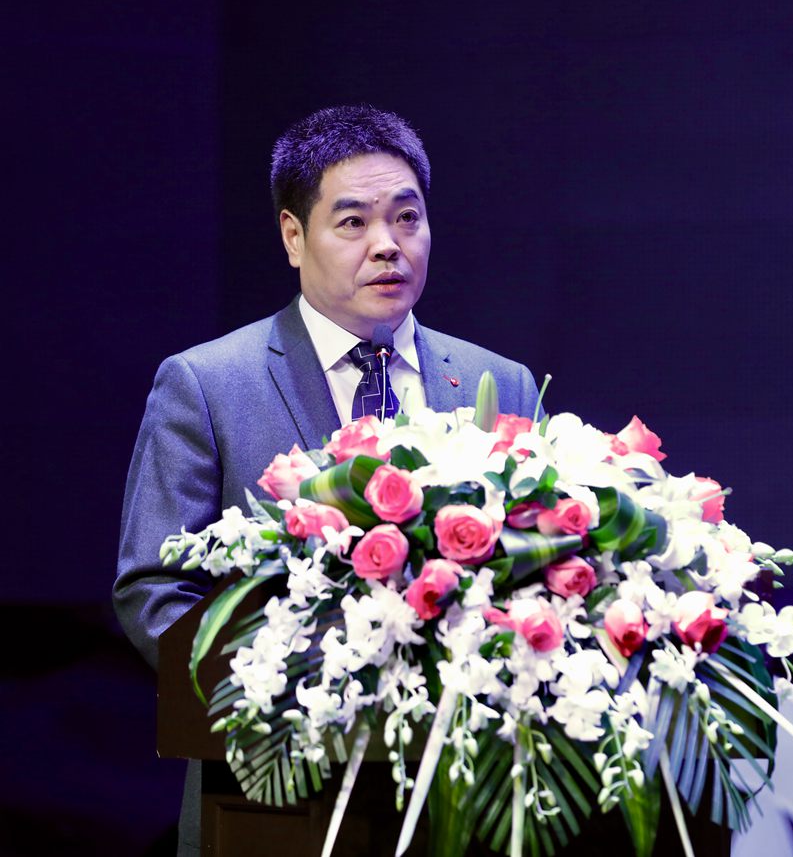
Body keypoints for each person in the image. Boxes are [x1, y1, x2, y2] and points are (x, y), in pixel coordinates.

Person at [113, 104, 540, 855]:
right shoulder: (208, 384)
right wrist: (290, 693)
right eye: (353, 222)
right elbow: (153, 589)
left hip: (466, 798)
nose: (387, 244)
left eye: (407, 217)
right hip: (270, 795)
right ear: (292, 236)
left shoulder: (500, 383)